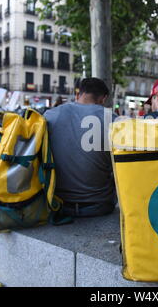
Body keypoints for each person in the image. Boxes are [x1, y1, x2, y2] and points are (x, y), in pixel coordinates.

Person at [44, 78, 117, 218]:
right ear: (103, 98)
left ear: (78, 94)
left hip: (58, 204)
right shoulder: (111, 118)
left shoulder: (51, 115)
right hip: (100, 206)